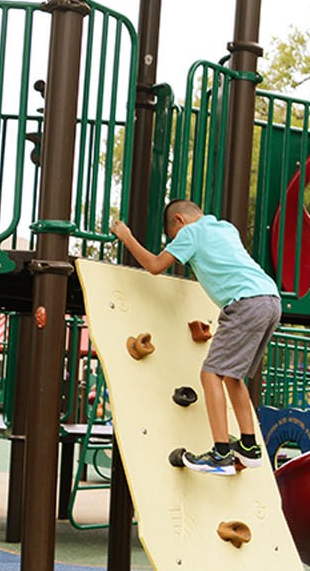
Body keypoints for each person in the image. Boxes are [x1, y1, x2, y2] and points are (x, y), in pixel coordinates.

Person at [109, 200, 281, 476]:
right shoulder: (225, 228)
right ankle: (249, 447)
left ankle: (221, 453)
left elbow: (155, 265)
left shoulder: (190, 233)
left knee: (210, 373)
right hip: (270, 300)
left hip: (245, 303)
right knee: (233, 376)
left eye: (174, 237)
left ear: (179, 220)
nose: (178, 245)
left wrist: (126, 237)